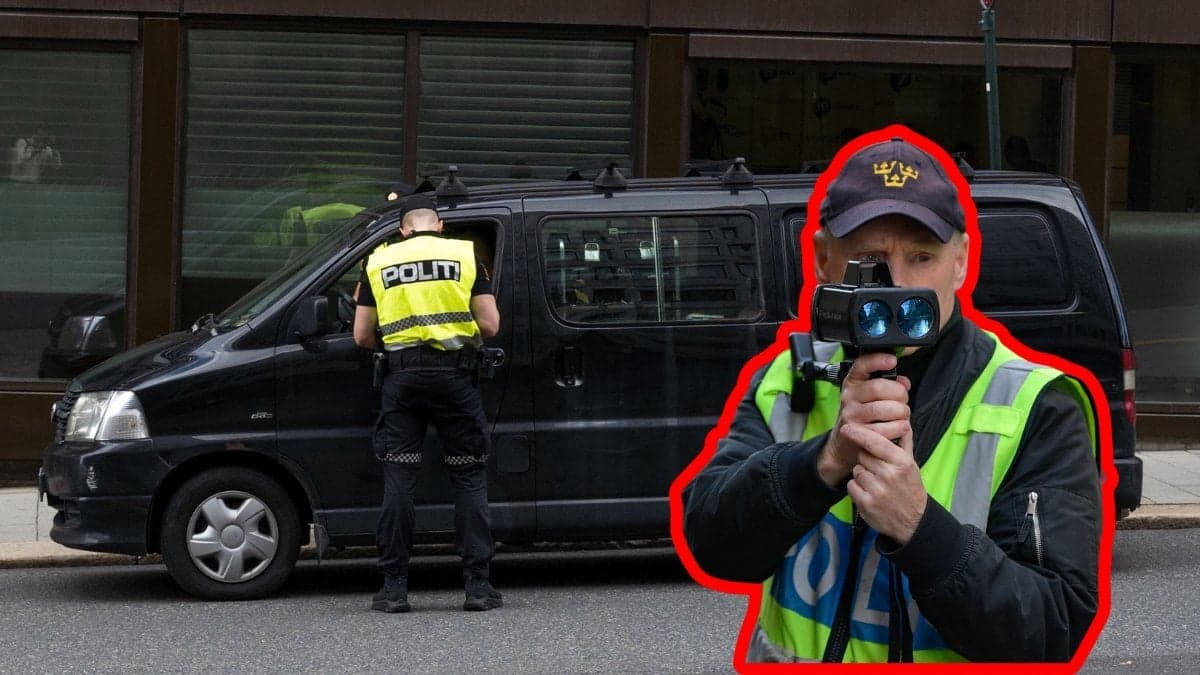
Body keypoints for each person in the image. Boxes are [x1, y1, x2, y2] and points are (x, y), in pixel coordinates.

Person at [680, 130, 1102, 663]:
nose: (897, 284)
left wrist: (919, 527)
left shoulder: (1034, 405)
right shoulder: (788, 379)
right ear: (823, 259)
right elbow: (713, 547)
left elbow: (1051, 630)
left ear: (961, 261)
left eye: (922, 257)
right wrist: (822, 462)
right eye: (871, 259)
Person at [353, 195, 502, 613]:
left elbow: (361, 336)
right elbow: (490, 324)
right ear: (439, 226)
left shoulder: (378, 261)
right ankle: (478, 587)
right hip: (455, 379)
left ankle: (394, 589)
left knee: (400, 479)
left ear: (403, 230)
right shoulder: (465, 256)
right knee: (468, 476)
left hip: (401, 380)